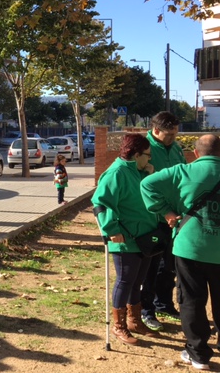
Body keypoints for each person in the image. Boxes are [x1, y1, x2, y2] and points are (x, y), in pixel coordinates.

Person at [141, 134, 220, 370]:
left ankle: (198, 353)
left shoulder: (183, 171)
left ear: (195, 153)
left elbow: (147, 184)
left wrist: (166, 212)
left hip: (190, 247)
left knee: (192, 300)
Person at [92, 133, 159, 345]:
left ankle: (134, 320)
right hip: (124, 237)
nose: (149, 159)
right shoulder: (116, 173)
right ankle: (119, 326)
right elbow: (101, 203)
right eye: (147, 155)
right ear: (136, 154)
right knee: (125, 280)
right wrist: (111, 228)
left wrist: (149, 173)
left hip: (144, 236)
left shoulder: (139, 171)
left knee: (137, 281)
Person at [141, 111, 187, 332]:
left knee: (169, 265)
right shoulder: (143, 148)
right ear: (155, 130)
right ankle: (146, 310)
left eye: (176, 134)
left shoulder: (176, 148)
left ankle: (164, 304)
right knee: (149, 268)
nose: (173, 138)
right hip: (152, 217)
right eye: (169, 134)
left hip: (174, 218)